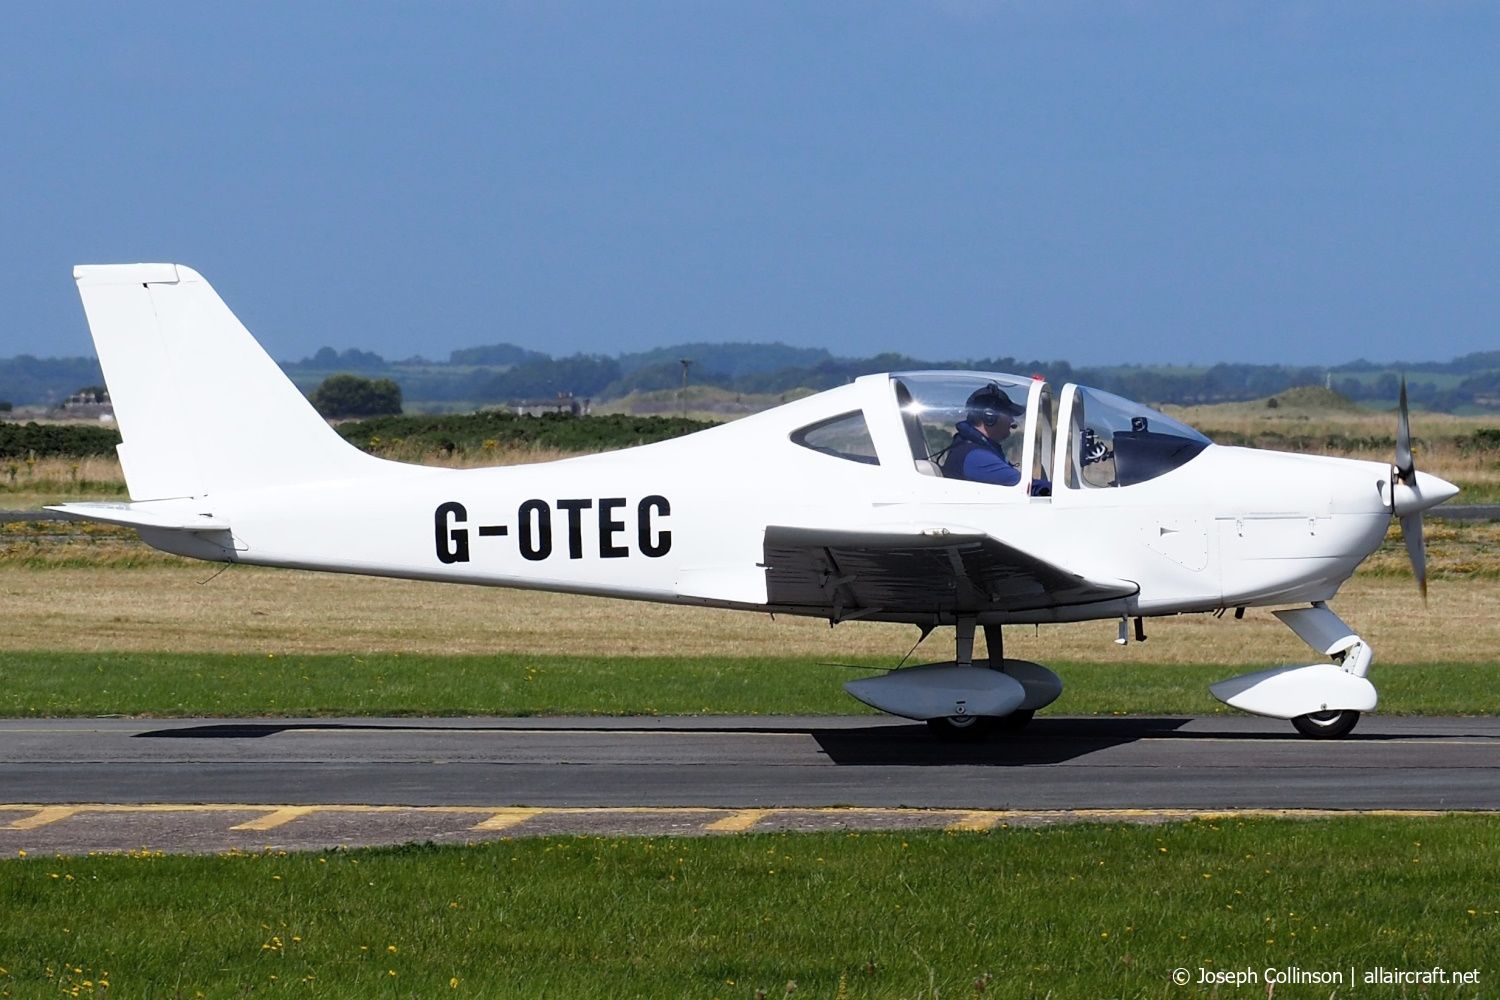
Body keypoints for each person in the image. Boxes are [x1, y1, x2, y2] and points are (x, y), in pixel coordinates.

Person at [941, 383, 1039, 489]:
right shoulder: (976, 457)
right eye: (1008, 414)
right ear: (990, 417)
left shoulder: (971, 447)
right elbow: (1026, 487)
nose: (1011, 420)